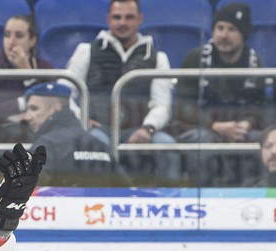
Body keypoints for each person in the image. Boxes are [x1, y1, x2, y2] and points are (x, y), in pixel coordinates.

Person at [64, 0, 179, 184]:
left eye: (129, 17)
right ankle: (99, 202)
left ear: (140, 19)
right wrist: (82, 119)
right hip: (97, 129)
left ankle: (172, 204)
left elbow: (162, 105)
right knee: (94, 143)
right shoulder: (86, 51)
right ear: (108, 19)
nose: (123, 22)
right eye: (117, 17)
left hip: (138, 129)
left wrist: (147, 129)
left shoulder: (158, 58)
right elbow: (64, 94)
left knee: (167, 144)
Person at [174, 3, 271, 187]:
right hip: (198, 126)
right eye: (220, 28)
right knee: (204, 140)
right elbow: (182, 107)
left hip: (239, 129)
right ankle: (204, 194)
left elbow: (259, 107)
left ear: (244, 35)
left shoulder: (255, 62)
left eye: (231, 29)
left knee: (258, 141)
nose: (224, 35)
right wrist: (214, 125)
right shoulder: (196, 58)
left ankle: (251, 195)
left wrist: (246, 124)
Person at [0, 14, 54, 144]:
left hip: (37, 139)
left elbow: (52, 110)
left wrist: (28, 75)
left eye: (19, 36)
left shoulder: (45, 68)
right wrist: (22, 103)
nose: (11, 42)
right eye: (7, 35)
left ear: (32, 40)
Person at [22, 82, 124, 186]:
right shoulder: (99, 145)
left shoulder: (46, 145)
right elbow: (124, 191)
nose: (27, 117)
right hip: (99, 202)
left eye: (34, 109)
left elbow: (26, 189)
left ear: (56, 107)